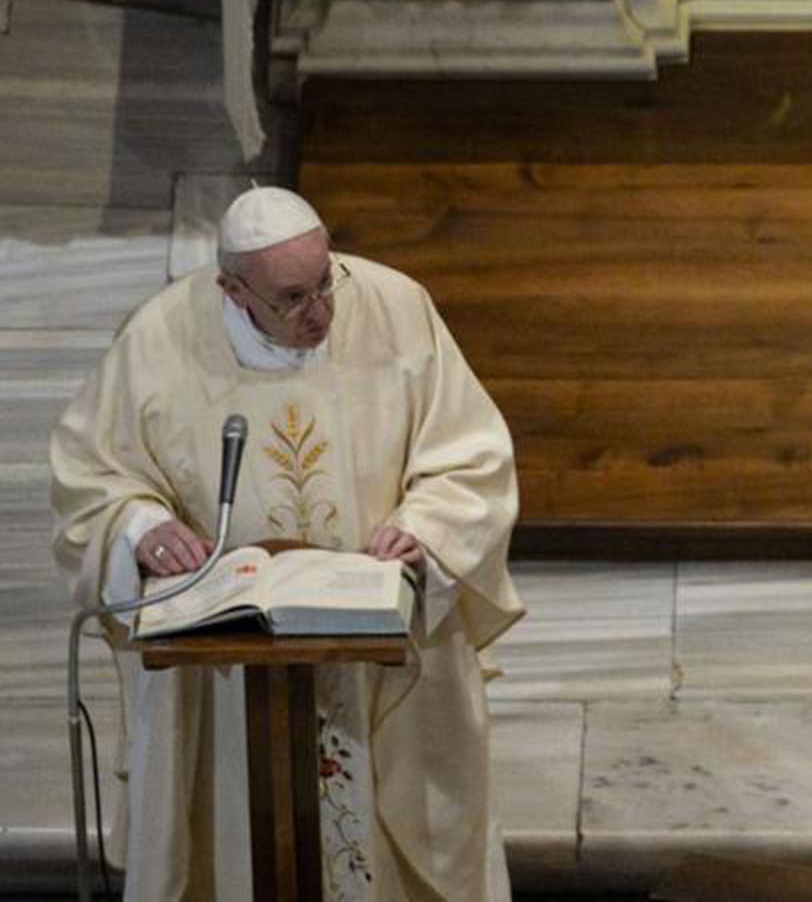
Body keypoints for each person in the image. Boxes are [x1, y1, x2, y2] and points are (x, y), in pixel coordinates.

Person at [51, 186, 524, 902]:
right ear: (231, 288)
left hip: (377, 653)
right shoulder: (158, 339)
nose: (321, 314)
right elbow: (90, 479)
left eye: (326, 283)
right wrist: (143, 530)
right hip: (225, 670)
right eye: (292, 299)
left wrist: (426, 527)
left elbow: (472, 457)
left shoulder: (397, 309)